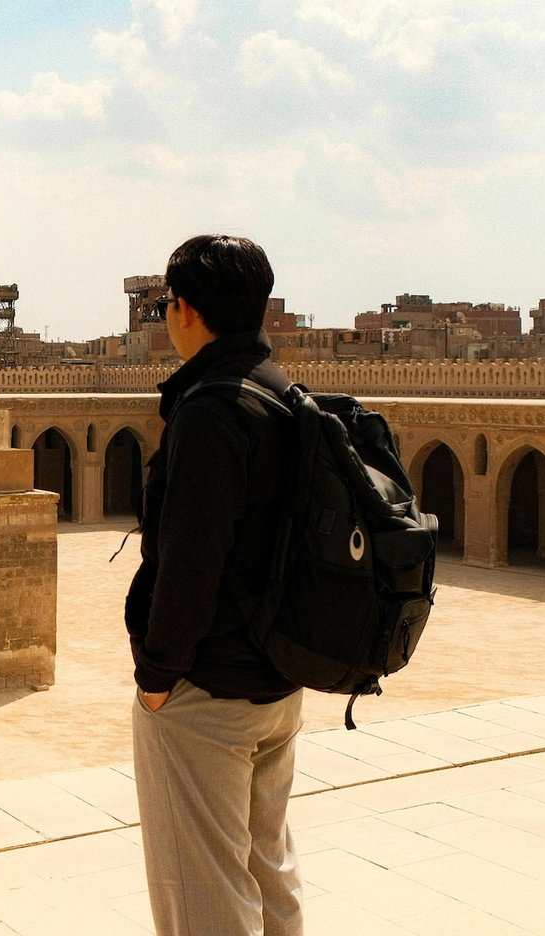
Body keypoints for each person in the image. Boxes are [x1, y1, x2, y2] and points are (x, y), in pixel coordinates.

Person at [126, 234, 303, 935]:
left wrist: (157, 675)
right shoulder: (283, 395)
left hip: (206, 691)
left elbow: (190, 561)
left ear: (189, 312)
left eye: (167, 303)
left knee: (202, 891)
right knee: (269, 873)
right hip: (277, 681)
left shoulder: (210, 409)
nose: (165, 316)